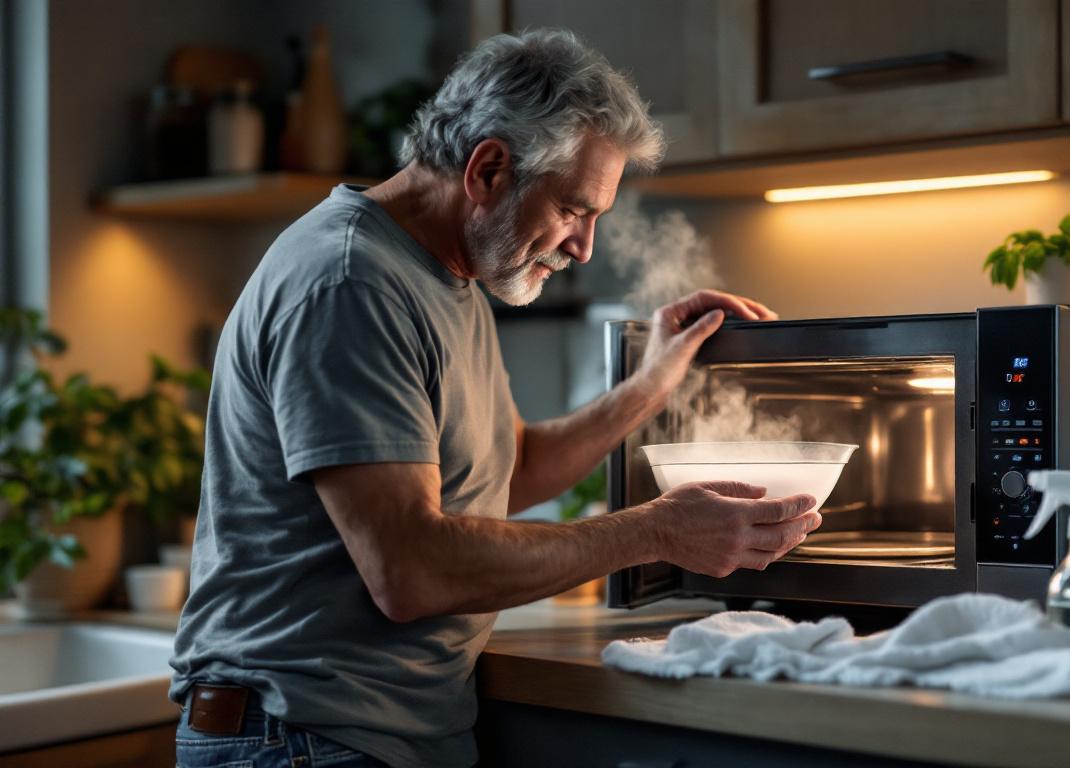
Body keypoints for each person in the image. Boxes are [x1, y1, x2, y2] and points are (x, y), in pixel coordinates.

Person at [169, 29, 820, 768]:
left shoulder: (449, 276)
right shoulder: (350, 282)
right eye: (574, 209)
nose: (583, 247)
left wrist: (650, 385)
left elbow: (508, 471)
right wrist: (655, 532)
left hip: (369, 736)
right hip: (301, 740)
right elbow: (412, 569)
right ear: (487, 169)